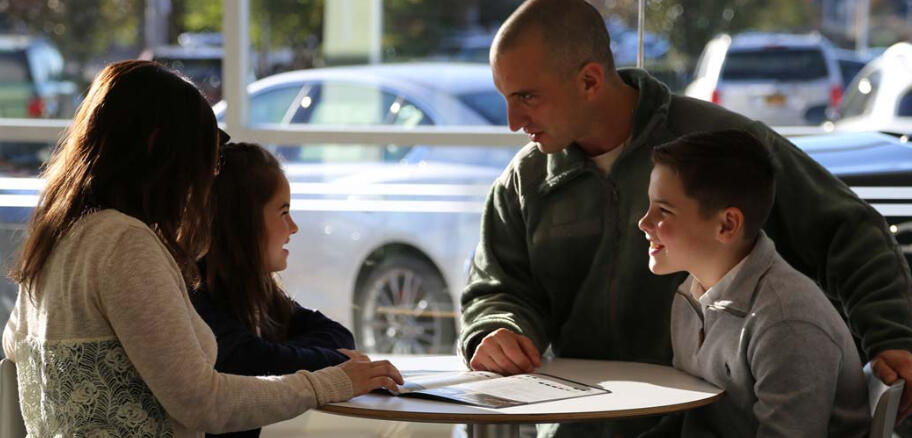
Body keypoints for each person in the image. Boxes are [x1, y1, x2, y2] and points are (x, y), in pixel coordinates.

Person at [460, 0, 912, 435]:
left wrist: (891, 337)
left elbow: (848, 230)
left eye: (527, 96)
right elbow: (497, 288)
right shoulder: (523, 181)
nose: (512, 120)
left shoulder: (721, 147)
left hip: (700, 427)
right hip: (573, 427)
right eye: (506, 97)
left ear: (590, 80)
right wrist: (497, 330)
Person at [1, 60, 402, 437]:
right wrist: (329, 383)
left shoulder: (61, 236)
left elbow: (13, 349)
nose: (207, 180)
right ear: (159, 148)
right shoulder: (124, 243)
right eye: (206, 161)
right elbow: (202, 402)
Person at [637, 130, 869, 437]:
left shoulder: (786, 322)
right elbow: (693, 420)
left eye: (664, 210)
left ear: (727, 225)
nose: (644, 222)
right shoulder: (691, 296)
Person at [192, 142, 364, 438]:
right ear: (244, 222)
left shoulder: (259, 291)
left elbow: (338, 334)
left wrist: (280, 356)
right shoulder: (195, 293)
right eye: (283, 212)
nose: (293, 227)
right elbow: (247, 360)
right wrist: (338, 366)